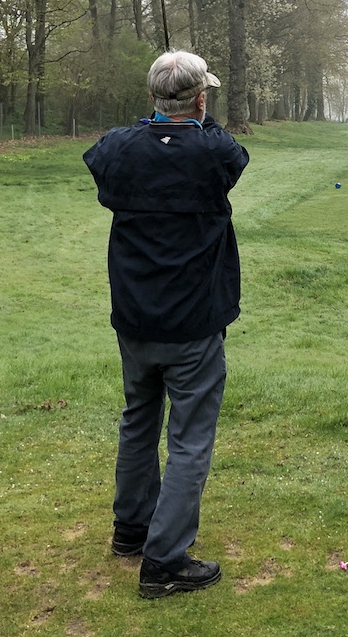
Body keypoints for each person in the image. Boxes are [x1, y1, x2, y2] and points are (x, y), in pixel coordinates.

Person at [82, 50, 249, 599]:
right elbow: (229, 151)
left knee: (139, 419)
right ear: (200, 99)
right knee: (190, 439)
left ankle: (132, 529)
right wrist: (189, 114)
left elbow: (106, 152)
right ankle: (165, 560)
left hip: (135, 317)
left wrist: (154, 120)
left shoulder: (121, 148)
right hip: (193, 323)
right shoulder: (211, 149)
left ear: (153, 99)